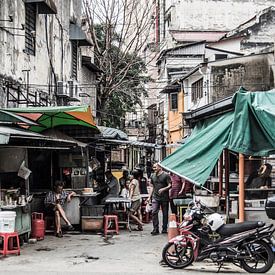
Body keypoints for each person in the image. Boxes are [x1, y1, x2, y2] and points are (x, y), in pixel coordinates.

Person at [147, 163, 171, 235]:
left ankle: (164, 228)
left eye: (155, 167)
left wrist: (163, 189)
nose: (154, 169)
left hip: (164, 197)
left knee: (165, 213)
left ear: (160, 167)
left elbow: (170, 185)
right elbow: (151, 187)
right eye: (153, 168)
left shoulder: (166, 175)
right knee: (154, 212)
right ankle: (155, 228)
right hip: (155, 197)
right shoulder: (152, 176)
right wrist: (149, 197)